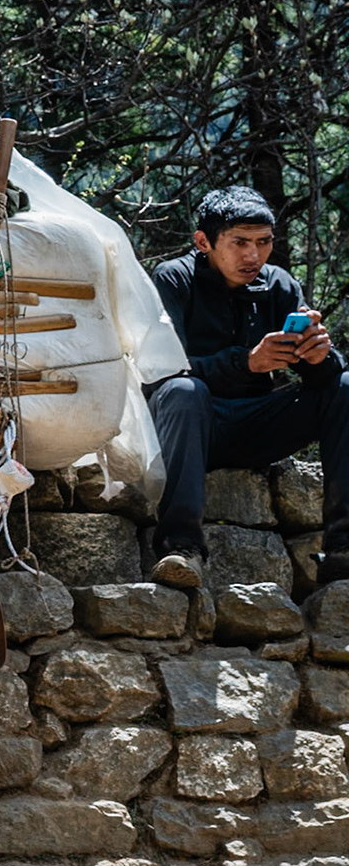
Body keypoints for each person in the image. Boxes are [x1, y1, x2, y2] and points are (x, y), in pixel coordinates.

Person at [146, 186, 348, 590]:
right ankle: (181, 548)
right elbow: (158, 371)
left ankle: (343, 551)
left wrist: (319, 357)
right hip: (188, 430)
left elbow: (324, 383)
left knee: (345, 385)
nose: (253, 256)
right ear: (203, 242)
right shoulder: (173, 278)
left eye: (264, 242)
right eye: (239, 243)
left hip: (256, 426)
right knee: (184, 391)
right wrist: (246, 362)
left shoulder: (279, 285)